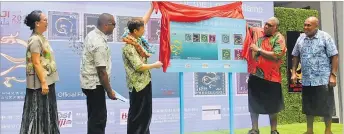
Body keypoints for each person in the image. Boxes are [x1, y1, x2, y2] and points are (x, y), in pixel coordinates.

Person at [291, 16, 339, 134]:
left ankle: (328, 130)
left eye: (309, 25)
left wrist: (333, 75)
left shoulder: (325, 37)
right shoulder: (301, 38)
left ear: (316, 26)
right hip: (307, 79)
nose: (305, 27)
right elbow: (295, 56)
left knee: (326, 106)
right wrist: (293, 72)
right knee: (308, 107)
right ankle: (309, 131)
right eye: (305, 24)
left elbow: (335, 56)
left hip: (323, 79)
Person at [122, 4, 163, 134]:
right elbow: (139, 66)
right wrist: (155, 65)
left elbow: (142, 21)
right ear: (135, 31)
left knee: (145, 114)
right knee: (137, 115)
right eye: (142, 28)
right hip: (137, 85)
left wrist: (152, 7)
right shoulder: (129, 46)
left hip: (145, 82)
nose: (144, 29)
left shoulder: (136, 37)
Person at [19, 10, 60, 134]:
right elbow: (36, 62)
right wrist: (43, 82)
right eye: (45, 20)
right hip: (40, 85)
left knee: (47, 115)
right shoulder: (35, 40)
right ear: (37, 23)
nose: (47, 22)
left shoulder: (42, 38)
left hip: (48, 81)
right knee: (38, 116)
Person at [247, 17, 286, 134]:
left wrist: (258, 50)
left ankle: (274, 130)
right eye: (265, 24)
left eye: (269, 25)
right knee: (253, 104)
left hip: (272, 78)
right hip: (255, 76)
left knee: (273, 107)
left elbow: (276, 55)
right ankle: (255, 129)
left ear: (275, 27)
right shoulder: (259, 34)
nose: (266, 26)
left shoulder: (279, 38)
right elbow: (246, 29)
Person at [80, 13, 117, 134]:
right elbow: (101, 72)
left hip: (90, 85)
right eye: (114, 24)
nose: (115, 27)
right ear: (106, 25)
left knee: (94, 119)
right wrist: (109, 91)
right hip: (95, 86)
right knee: (98, 121)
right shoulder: (99, 43)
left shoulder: (92, 35)